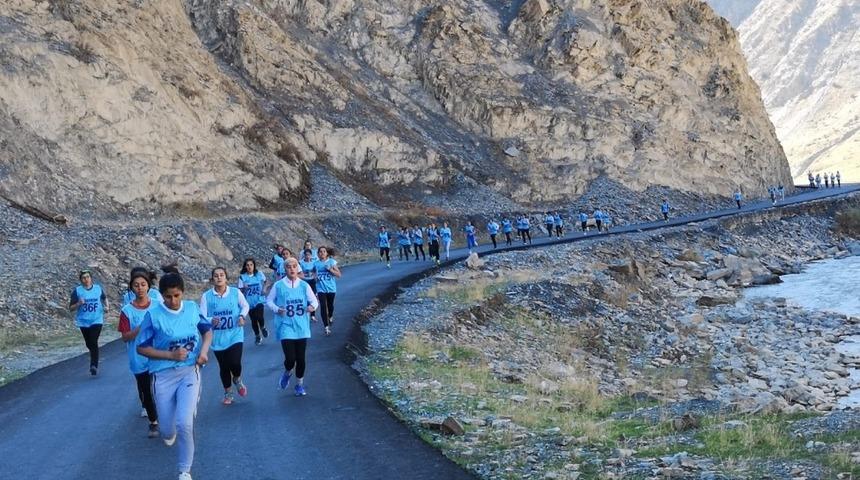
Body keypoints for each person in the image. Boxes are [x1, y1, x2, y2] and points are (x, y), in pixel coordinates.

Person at [136, 273, 213, 480]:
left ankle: (184, 471)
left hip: (189, 372)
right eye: (168, 297)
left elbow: (207, 332)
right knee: (168, 431)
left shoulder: (192, 309)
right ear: (162, 296)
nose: (173, 301)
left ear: (182, 293)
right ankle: (169, 432)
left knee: (184, 423)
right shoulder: (153, 316)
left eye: (177, 295)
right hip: (162, 375)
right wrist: (170, 355)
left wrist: (204, 352)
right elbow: (142, 348)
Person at [266, 257, 318, 396]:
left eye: (294, 266)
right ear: (285, 269)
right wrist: (277, 309)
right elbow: (269, 301)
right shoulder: (279, 285)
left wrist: (312, 307)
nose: (292, 269)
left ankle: (299, 385)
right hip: (285, 325)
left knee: (300, 358)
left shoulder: (304, 285)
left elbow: (314, 301)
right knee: (290, 358)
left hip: (301, 326)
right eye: (289, 266)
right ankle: (288, 372)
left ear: (298, 268)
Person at [117, 269, 160, 437]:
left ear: (148, 286)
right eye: (136, 285)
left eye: (143, 284)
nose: (140, 288)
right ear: (132, 288)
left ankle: (165, 416)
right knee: (146, 391)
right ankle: (153, 422)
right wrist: (141, 328)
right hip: (138, 357)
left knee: (161, 389)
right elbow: (125, 337)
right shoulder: (127, 311)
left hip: (159, 355)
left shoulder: (158, 305)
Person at [200, 267, 249, 406]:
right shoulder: (206, 296)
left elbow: (245, 306)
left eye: (222, 275)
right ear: (212, 279)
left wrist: (241, 316)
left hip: (235, 334)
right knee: (224, 366)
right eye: (216, 276)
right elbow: (202, 316)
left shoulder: (235, 292)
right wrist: (210, 320)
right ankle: (228, 393)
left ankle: (237, 379)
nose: (219, 278)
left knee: (235, 363)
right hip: (218, 338)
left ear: (226, 278)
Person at [69, 269, 108, 376]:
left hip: (97, 319)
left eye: (88, 277)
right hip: (83, 321)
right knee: (89, 343)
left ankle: (94, 365)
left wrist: (107, 307)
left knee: (93, 341)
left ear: (91, 278)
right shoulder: (77, 291)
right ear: (81, 280)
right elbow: (71, 308)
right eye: (84, 278)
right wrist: (78, 304)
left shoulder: (97, 288)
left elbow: (104, 298)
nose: (86, 279)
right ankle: (93, 355)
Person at [238, 258, 269, 346]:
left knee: (259, 316)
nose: (249, 267)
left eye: (251, 265)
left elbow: (267, 282)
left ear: (254, 265)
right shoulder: (242, 277)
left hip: (259, 299)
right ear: (245, 267)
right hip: (249, 302)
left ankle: (263, 327)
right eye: (247, 265)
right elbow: (239, 291)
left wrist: (264, 289)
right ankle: (257, 336)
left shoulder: (259, 274)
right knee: (253, 320)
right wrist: (244, 288)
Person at [314, 246, 341, 336]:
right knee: (322, 306)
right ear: (318, 254)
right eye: (320, 252)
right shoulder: (316, 264)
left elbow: (339, 275)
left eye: (324, 251)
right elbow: (314, 274)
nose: (322, 253)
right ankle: (326, 327)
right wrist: (315, 278)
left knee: (330, 305)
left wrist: (330, 270)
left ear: (327, 253)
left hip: (331, 288)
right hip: (320, 288)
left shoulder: (331, 262)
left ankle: (331, 316)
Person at [298, 249, 318, 323]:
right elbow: (299, 272)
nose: (307, 256)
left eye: (309, 255)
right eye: (306, 255)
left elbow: (316, 271)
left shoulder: (314, 263)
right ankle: (305, 313)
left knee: (313, 297)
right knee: (305, 297)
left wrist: (315, 277)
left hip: (312, 281)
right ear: (304, 255)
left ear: (311, 255)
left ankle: (313, 315)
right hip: (304, 281)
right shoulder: (301, 263)